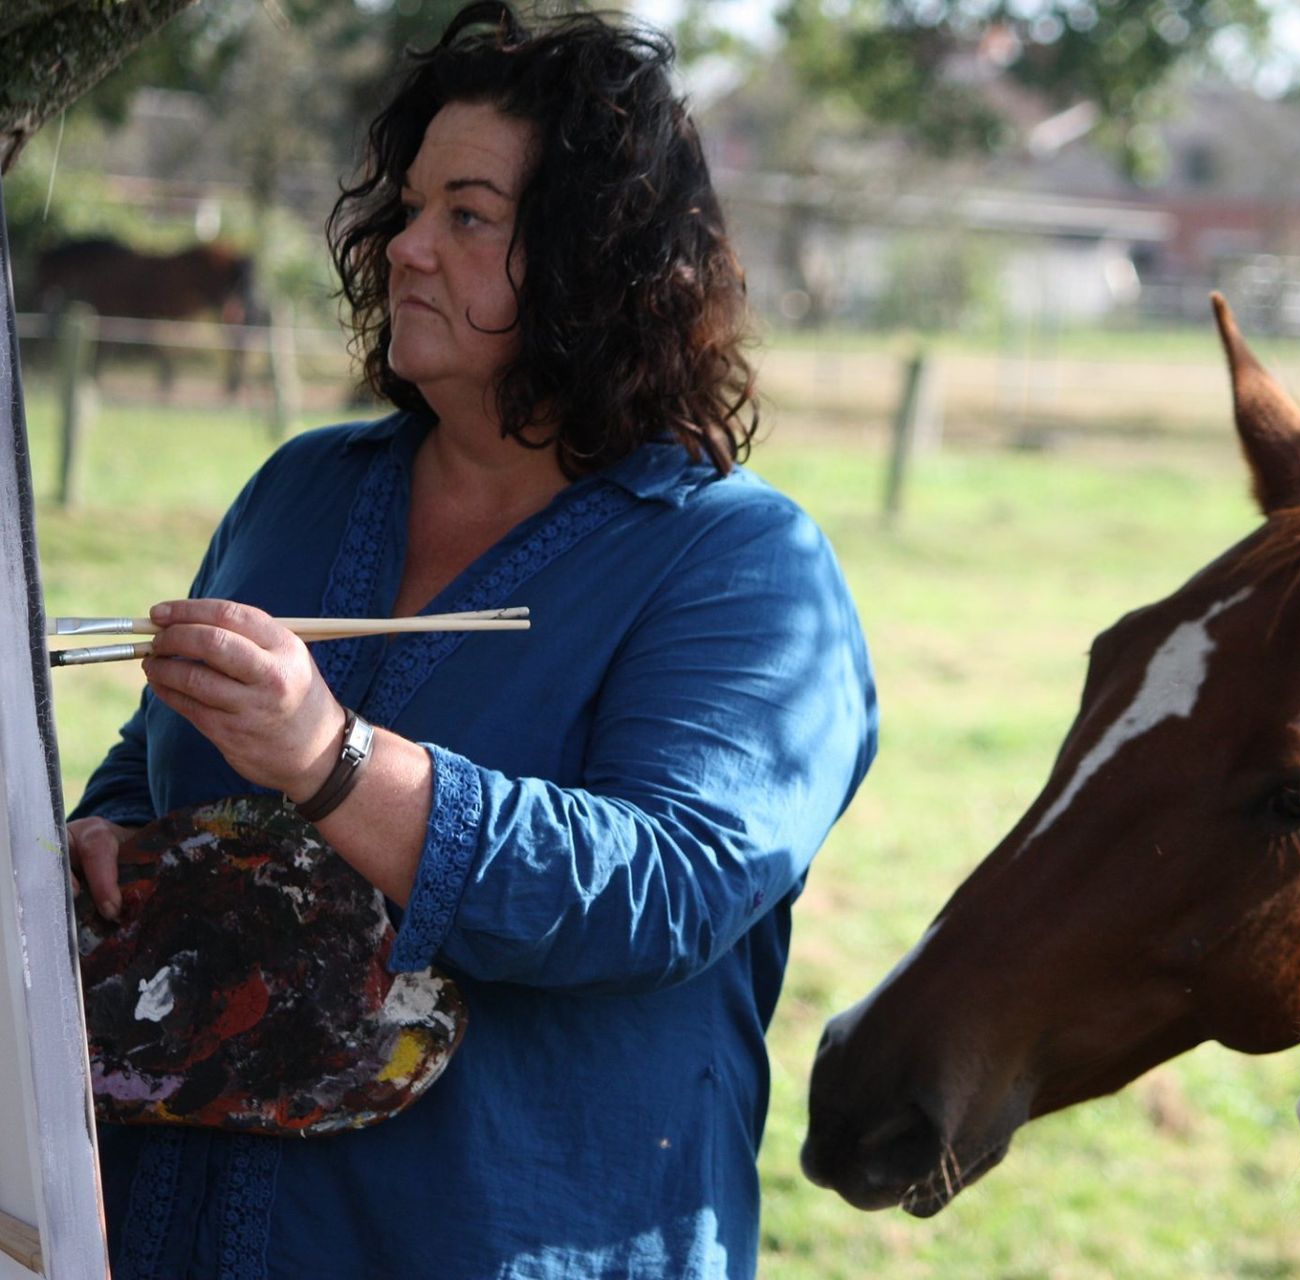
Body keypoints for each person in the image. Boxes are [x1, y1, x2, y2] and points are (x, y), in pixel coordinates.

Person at [64, 5, 878, 1276]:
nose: (406, 249)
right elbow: (157, 760)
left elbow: (671, 886)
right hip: (176, 1222)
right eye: (406, 208)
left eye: (469, 215)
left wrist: (335, 758)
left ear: (595, 258)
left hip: (490, 1231)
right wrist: (97, 839)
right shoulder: (303, 488)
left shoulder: (740, 563)